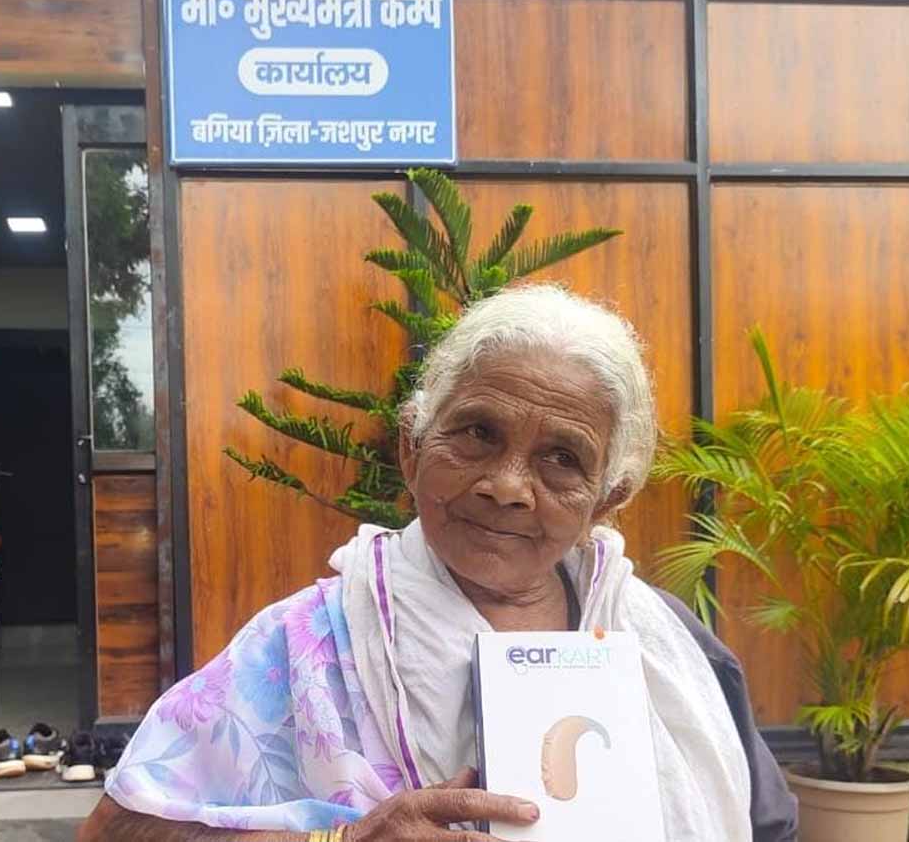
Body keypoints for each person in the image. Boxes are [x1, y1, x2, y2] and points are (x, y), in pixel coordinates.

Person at [80, 285, 797, 842]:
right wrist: (341, 840)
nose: (508, 486)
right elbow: (114, 833)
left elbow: (768, 827)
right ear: (412, 448)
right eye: (478, 432)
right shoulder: (303, 646)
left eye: (561, 457)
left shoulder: (667, 644)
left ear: (606, 501)